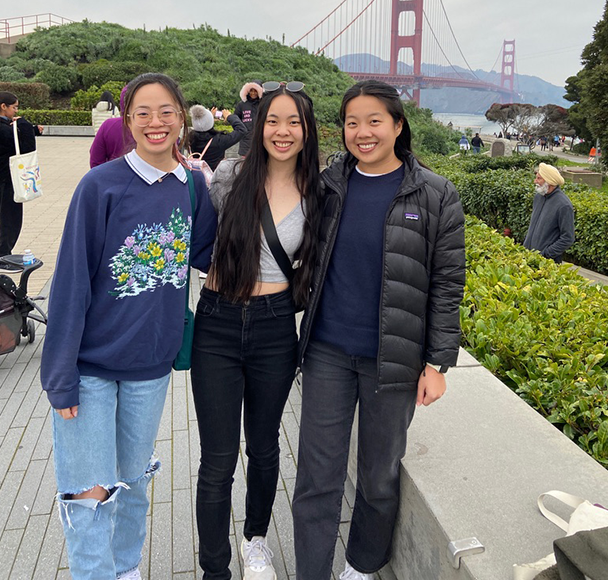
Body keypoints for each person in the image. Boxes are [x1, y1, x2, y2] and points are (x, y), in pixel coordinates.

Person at [40, 72, 217, 580]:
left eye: (166, 111)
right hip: (89, 368)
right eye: (143, 112)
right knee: (89, 492)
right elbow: (70, 282)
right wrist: (59, 374)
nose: (155, 122)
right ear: (127, 120)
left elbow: (211, 256)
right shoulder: (100, 186)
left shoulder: (192, 187)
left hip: (149, 367)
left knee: (133, 481)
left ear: (182, 118)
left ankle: (125, 569)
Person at [291, 80, 466, 580]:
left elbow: (447, 282)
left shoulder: (435, 194)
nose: (362, 132)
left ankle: (361, 567)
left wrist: (437, 362)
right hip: (326, 351)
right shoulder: (328, 185)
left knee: (379, 475)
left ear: (397, 125)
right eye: (351, 122)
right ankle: (312, 571)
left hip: (394, 358)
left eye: (374, 121)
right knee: (316, 475)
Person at [190, 81, 321, 580]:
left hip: (273, 330)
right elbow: (199, 237)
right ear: (257, 124)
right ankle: (214, 568)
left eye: (294, 122)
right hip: (218, 324)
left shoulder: (322, 189)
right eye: (273, 120)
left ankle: (255, 541)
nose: (282, 131)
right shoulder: (231, 172)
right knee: (217, 459)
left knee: (264, 449)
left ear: (308, 130)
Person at [0, 91, 43, 255]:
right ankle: (2, 255)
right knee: (10, 219)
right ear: (3, 107)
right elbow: (27, 147)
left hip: (1, 177)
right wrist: (24, 125)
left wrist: (31, 129)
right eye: (14, 107)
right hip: (7, 178)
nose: (16, 111)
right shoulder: (3, 129)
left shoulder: (4, 127)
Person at [523, 162, 574, 263]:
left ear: (549, 181)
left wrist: (546, 255)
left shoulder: (564, 205)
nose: (535, 181)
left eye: (539, 178)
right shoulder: (539, 197)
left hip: (547, 264)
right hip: (528, 258)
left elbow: (568, 238)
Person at [188, 104, 247, 171]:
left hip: (197, 176)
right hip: (214, 177)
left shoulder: (189, 139)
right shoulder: (219, 141)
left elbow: (201, 126)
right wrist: (229, 117)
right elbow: (241, 130)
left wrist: (208, 118)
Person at [89, 87, 135, 168]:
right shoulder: (113, 108)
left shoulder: (94, 109)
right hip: (115, 132)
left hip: (99, 132)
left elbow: (95, 161)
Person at [234, 81, 263, 156]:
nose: (253, 93)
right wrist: (241, 131)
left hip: (261, 138)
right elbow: (235, 119)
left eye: (255, 91)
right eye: (251, 90)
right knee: (245, 164)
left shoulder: (263, 104)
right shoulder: (242, 104)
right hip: (246, 140)